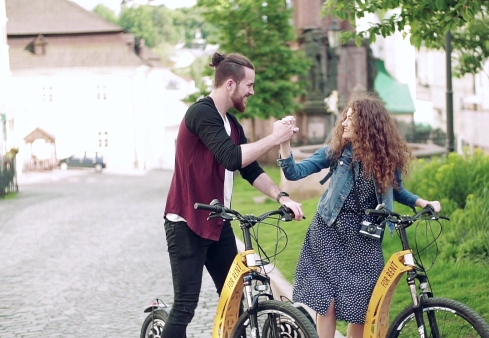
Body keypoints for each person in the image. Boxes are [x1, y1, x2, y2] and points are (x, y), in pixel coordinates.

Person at [161, 52, 304, 338]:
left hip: (217, 222)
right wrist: (276, 138)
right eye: (248, 85)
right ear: (230, 84)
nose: (252, 91)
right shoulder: (201, 113)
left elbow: (249, 169)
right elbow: (230, 158)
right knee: (185, 306)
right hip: (186, 222)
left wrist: (282, 197)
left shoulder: (232, 125)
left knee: (235, 301)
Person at [277, 93, 441, 338]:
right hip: (328, 230)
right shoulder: (336, 152)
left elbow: (397, 191)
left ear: (367, 125)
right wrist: (284, 142)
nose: (344, 123)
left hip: (365, 235)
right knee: (327, 301)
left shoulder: (386, 158)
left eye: (350, 119)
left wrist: (422, 202)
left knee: (362, 307)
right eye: (345, 117)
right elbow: (293, 172)